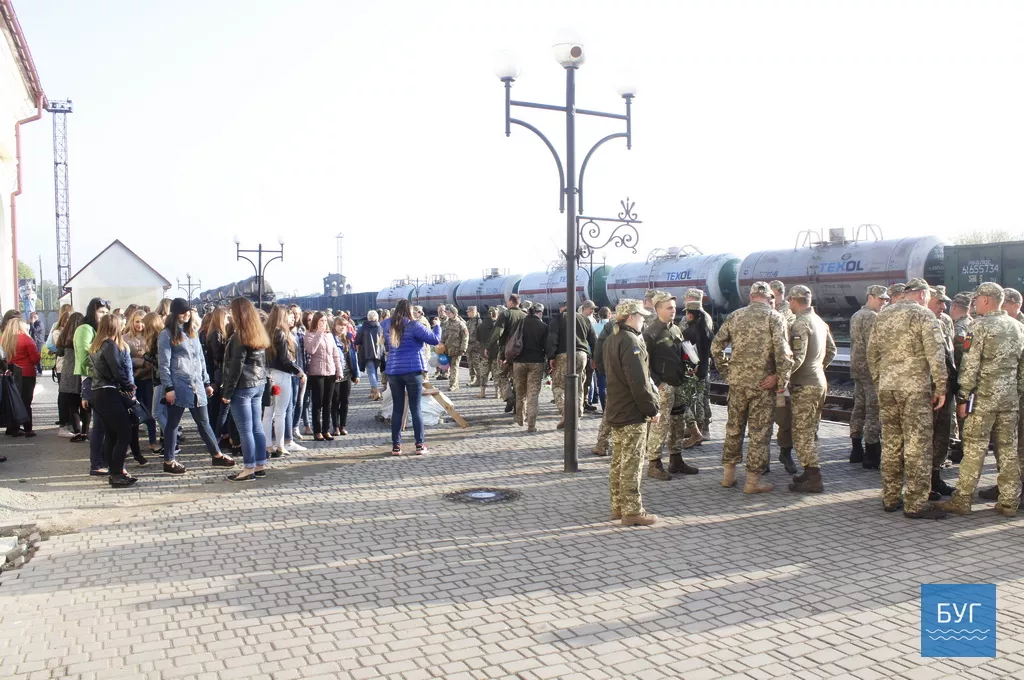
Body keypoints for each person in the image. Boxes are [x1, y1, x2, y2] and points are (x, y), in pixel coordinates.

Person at [939, 282, 1023, 517]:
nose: (974, 303)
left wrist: (963, 396)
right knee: (1008, 451)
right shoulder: (1018, 327)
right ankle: (1009, 502)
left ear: (986, 300)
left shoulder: (979, 326)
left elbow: (970, 364)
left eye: (977, 299)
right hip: (1010, 401)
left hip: (983, 400)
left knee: (975, 449)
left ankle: (962, 500)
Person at [867, 278, 948, 519]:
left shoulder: (883, 315)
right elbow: (936, 354)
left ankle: (890, 497)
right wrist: (941, 388)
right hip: (914, 389)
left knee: (891, 443)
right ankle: (916, 503)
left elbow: (872, 353)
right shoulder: (924, 316)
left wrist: (880, 380)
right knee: (918, 446)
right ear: (922, 294)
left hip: (888, 387)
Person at [710, 281, 794, 493]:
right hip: (762, 385)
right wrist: (780, 379)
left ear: (751, 296)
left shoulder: (736, 315)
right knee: (759, 432)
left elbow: (716, 346)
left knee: (734, 428)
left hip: (737, 384)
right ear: (769, 297)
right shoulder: (774, 317)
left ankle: (728, 476)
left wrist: (727, 371)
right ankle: (752, 482)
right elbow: (783, 353)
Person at [158, 298, 236, 474]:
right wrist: (168, 387)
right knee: (173, 424)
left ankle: (216, 455)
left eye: (188, 312)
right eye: (183, 312)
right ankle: (169, 460)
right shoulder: (167, 334)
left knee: (204, 422)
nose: (186, 315)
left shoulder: (192, 333)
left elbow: (200, 360)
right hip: (179, 385)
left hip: (196, 385)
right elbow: (164, 363)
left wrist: (206, 382)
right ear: (175, 313)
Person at [604, 299, 661, 526]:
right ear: (630, 317)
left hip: (617, 409)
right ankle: (633, 511)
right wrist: (652, 409)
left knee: (618, 461)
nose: (643, 320)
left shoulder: (612, 338)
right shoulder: (630, 341)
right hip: (631, 412)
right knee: (632, 463)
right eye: (641, 316)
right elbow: (639, 381)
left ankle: (618, 506)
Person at [783, 286, 837, 492]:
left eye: (790, 301)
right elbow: (831, 350)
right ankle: (808, 471)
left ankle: (813, 476)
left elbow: (797, 358)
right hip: (818, 381)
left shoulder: (800, 324)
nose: (789, 304)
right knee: (811, 430)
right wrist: (817, 368)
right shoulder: (819, 321)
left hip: (805, 385)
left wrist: (781, 378)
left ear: (795, 301)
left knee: (802, 432)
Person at [220, 297, 271, 482]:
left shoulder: (239, 337)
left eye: (232, 312)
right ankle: (260, 464)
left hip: (242, 387)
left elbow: (236, 367)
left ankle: (249, 469)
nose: (230, 315)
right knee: (257, 427)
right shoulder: (257, 333)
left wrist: (227, 393)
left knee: (245, 430)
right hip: (257, 384)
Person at [87, 315, 139, 488]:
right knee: (124, 433)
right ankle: (116, 473)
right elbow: (116, 369)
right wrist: (128, 385)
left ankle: (113, 472)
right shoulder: (109, 346)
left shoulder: (96, 346)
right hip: (108, 392)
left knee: (111, 435)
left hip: (97, 393)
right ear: (115, 327)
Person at [383, 298, 441, 455]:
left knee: (397, 409)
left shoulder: (388, 325)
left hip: (394, 371)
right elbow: (435, 340)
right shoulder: (414, 325)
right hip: (412, 370)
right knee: (415, 408)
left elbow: (387, 345)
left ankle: (396, 446)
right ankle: (419, 445)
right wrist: (437, 326)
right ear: (410, 310)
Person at [642, 291, 686, 481]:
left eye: (674, 308)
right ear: (658, 308)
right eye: (669, 308)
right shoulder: (651, 332)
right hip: (664, 386)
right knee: (660, 425)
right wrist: (657, 383)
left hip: (678, 383)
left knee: (678, 423)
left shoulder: (675, 329)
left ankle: (676, 459)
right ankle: (654, 463)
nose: (673, 311)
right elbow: (644, 362)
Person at [849, 285, 889, 468]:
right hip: (870, 371)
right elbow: (875, 347)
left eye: (885, 300)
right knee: (873, 410)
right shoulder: (873, 317)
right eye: (881, 299)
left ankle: (856, 448)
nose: (883, 302)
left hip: (857, 369)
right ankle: (872, 453)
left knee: (859, 407)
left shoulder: (856, 315)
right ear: (870, 297)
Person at [927, 286, 958, 499]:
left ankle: (935, 476)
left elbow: (950, 354)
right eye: (939, 302)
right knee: (925, 437)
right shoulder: (921, 320)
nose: (943, 307)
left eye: (944, 303)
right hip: (928, 389)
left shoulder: (945, 321)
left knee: (942, 435)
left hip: (945, 387)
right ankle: (922, 483)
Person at [546, 300, 597, 429]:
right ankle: (577, 417)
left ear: (562, 308)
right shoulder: (584, 319)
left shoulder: (559, 318)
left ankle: (567, 414)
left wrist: (551, 356)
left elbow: (552, 337)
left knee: (558, 386)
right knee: (578, 387)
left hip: (564, 354)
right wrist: (595, 357)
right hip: (582, 355)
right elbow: (593, 340)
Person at [264, 305, 305, 455]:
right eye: (288, 315)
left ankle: (267, 444)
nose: (291, 317)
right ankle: (280, 445)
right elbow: (284, 359)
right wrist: (299, 371)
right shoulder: (280, 333)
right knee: (280, 413)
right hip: (282, 376)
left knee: (268, 414)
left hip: (269, 375)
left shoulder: (267, 331)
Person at [304, 311, 342, 441]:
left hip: (330, 372)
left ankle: (326, 429)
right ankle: (317, 430)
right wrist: (319, 333)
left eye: (325, 321)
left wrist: (339, 370)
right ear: (316, 322)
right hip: (317, 373)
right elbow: (311, 350)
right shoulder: (309, 335)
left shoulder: (330, 336)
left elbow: (335, 354)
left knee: (328, 403)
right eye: (321, 321)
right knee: (317, 403)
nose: (323, 323)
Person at [124, 309, 157, 460]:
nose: (139, 325)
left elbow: (154, 359)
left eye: (142, 321)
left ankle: (152, 441)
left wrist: (145, 363)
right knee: (134, 412)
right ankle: (132, 444)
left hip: (149, 379)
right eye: (137, 321)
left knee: (151, 411)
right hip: (134, 379)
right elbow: (125, 359)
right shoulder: (125, 338)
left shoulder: (151, 337)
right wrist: (142, 361)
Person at [1, 318, 40, 436]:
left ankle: (13, 427)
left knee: (12, 400)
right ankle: (28, 428)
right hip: (26, 373)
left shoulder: (3, 340)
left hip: (10, 373)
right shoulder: (26, 340)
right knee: (26, 401)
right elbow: (35, 359)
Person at [512, 303, 548, 432]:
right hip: (536, 363)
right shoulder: (543, 326)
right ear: (540, 313)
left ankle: (520, 418)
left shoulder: (519, 323)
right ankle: (531, 425)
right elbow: (547, 346)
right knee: (533, 394)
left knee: (520, 391)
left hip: (518, 362)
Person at [203, 307, 230, 449]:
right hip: (217, 375)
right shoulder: (216, 334)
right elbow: (217, 356)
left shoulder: (217, 333)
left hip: (217, 374)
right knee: (218, 408)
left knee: (218, 408)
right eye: (226, 318)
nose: (228, 321)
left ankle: (220, 435)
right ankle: (217, 436)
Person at [56, 312, 85, 438]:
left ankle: (76, 428)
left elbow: (60, 353)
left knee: (71, 403)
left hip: (67, 371)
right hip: (80, 371)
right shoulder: (82, 335)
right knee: (83, 402)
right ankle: (83, 430)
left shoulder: (63, 336)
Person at [496, 295, 527, 411]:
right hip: (520, 352)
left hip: (506, 351)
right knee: (517, 378)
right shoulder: (525, 316)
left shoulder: (506, 314)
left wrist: (489, 347)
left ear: (510, 302)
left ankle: (509, 397)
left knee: (501, 374)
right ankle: (517, 407)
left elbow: (497, 332)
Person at [331, 316, 360, 436]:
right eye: (340, 325)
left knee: (345, 401)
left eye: (344, 325)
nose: (342, 327)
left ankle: (343, 425)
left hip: (347, 374)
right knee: (335, 401)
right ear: (335, 326)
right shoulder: (331, 339)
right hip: (335, 375)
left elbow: (354, 357)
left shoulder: (348, 339)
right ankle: (335, 426)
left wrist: (356, 373)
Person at [355, 310, 384, 400]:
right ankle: (372, 392)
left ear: (368, 317)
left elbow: (357, 340)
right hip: (379, 352)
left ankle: (376, 391)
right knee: (374, 371)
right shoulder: (380, 327)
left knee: (371, 372)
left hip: (367, 352)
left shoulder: (364, 327)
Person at [441, 304, 468, 390]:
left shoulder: (461, 324)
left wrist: (463, 348)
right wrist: (441, 344)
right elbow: (444, 335)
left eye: (449, 313)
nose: (448, 314)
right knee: (447, 366)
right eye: (447, 313)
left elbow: (465, 337)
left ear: (454, 313)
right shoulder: (446, 323)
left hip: (457, 349)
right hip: (447, 349)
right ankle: (452, 383)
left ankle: (453, 385)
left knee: (454, 367)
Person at [476, 307, 500, 399]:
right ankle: (497, 393)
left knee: (484, 374)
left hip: (484, 353)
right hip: (495, 352)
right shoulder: (498, 326)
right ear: (495, 314)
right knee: (496, 373)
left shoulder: (481, 326)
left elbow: (478, 339)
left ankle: (482, 392)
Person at [580, 300, 599, 413]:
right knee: (581, 379)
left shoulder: (592, 320)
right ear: (585, 308)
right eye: (591, 308)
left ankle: (585, 401)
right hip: (584, 352)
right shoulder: (581, 320)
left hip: (589, 353)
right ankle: (580, 401)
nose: (593, 311)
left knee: (588, 378)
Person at [465, 306, 482, 389]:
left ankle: (479, 379)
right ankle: (473, 379)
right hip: (469, 345)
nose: (467, 313)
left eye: (469, 312)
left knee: (476, 363)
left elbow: (480, 334)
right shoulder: (469, 322)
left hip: (475, 346)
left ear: (473, 311)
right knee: (470, 363)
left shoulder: (478, 321)